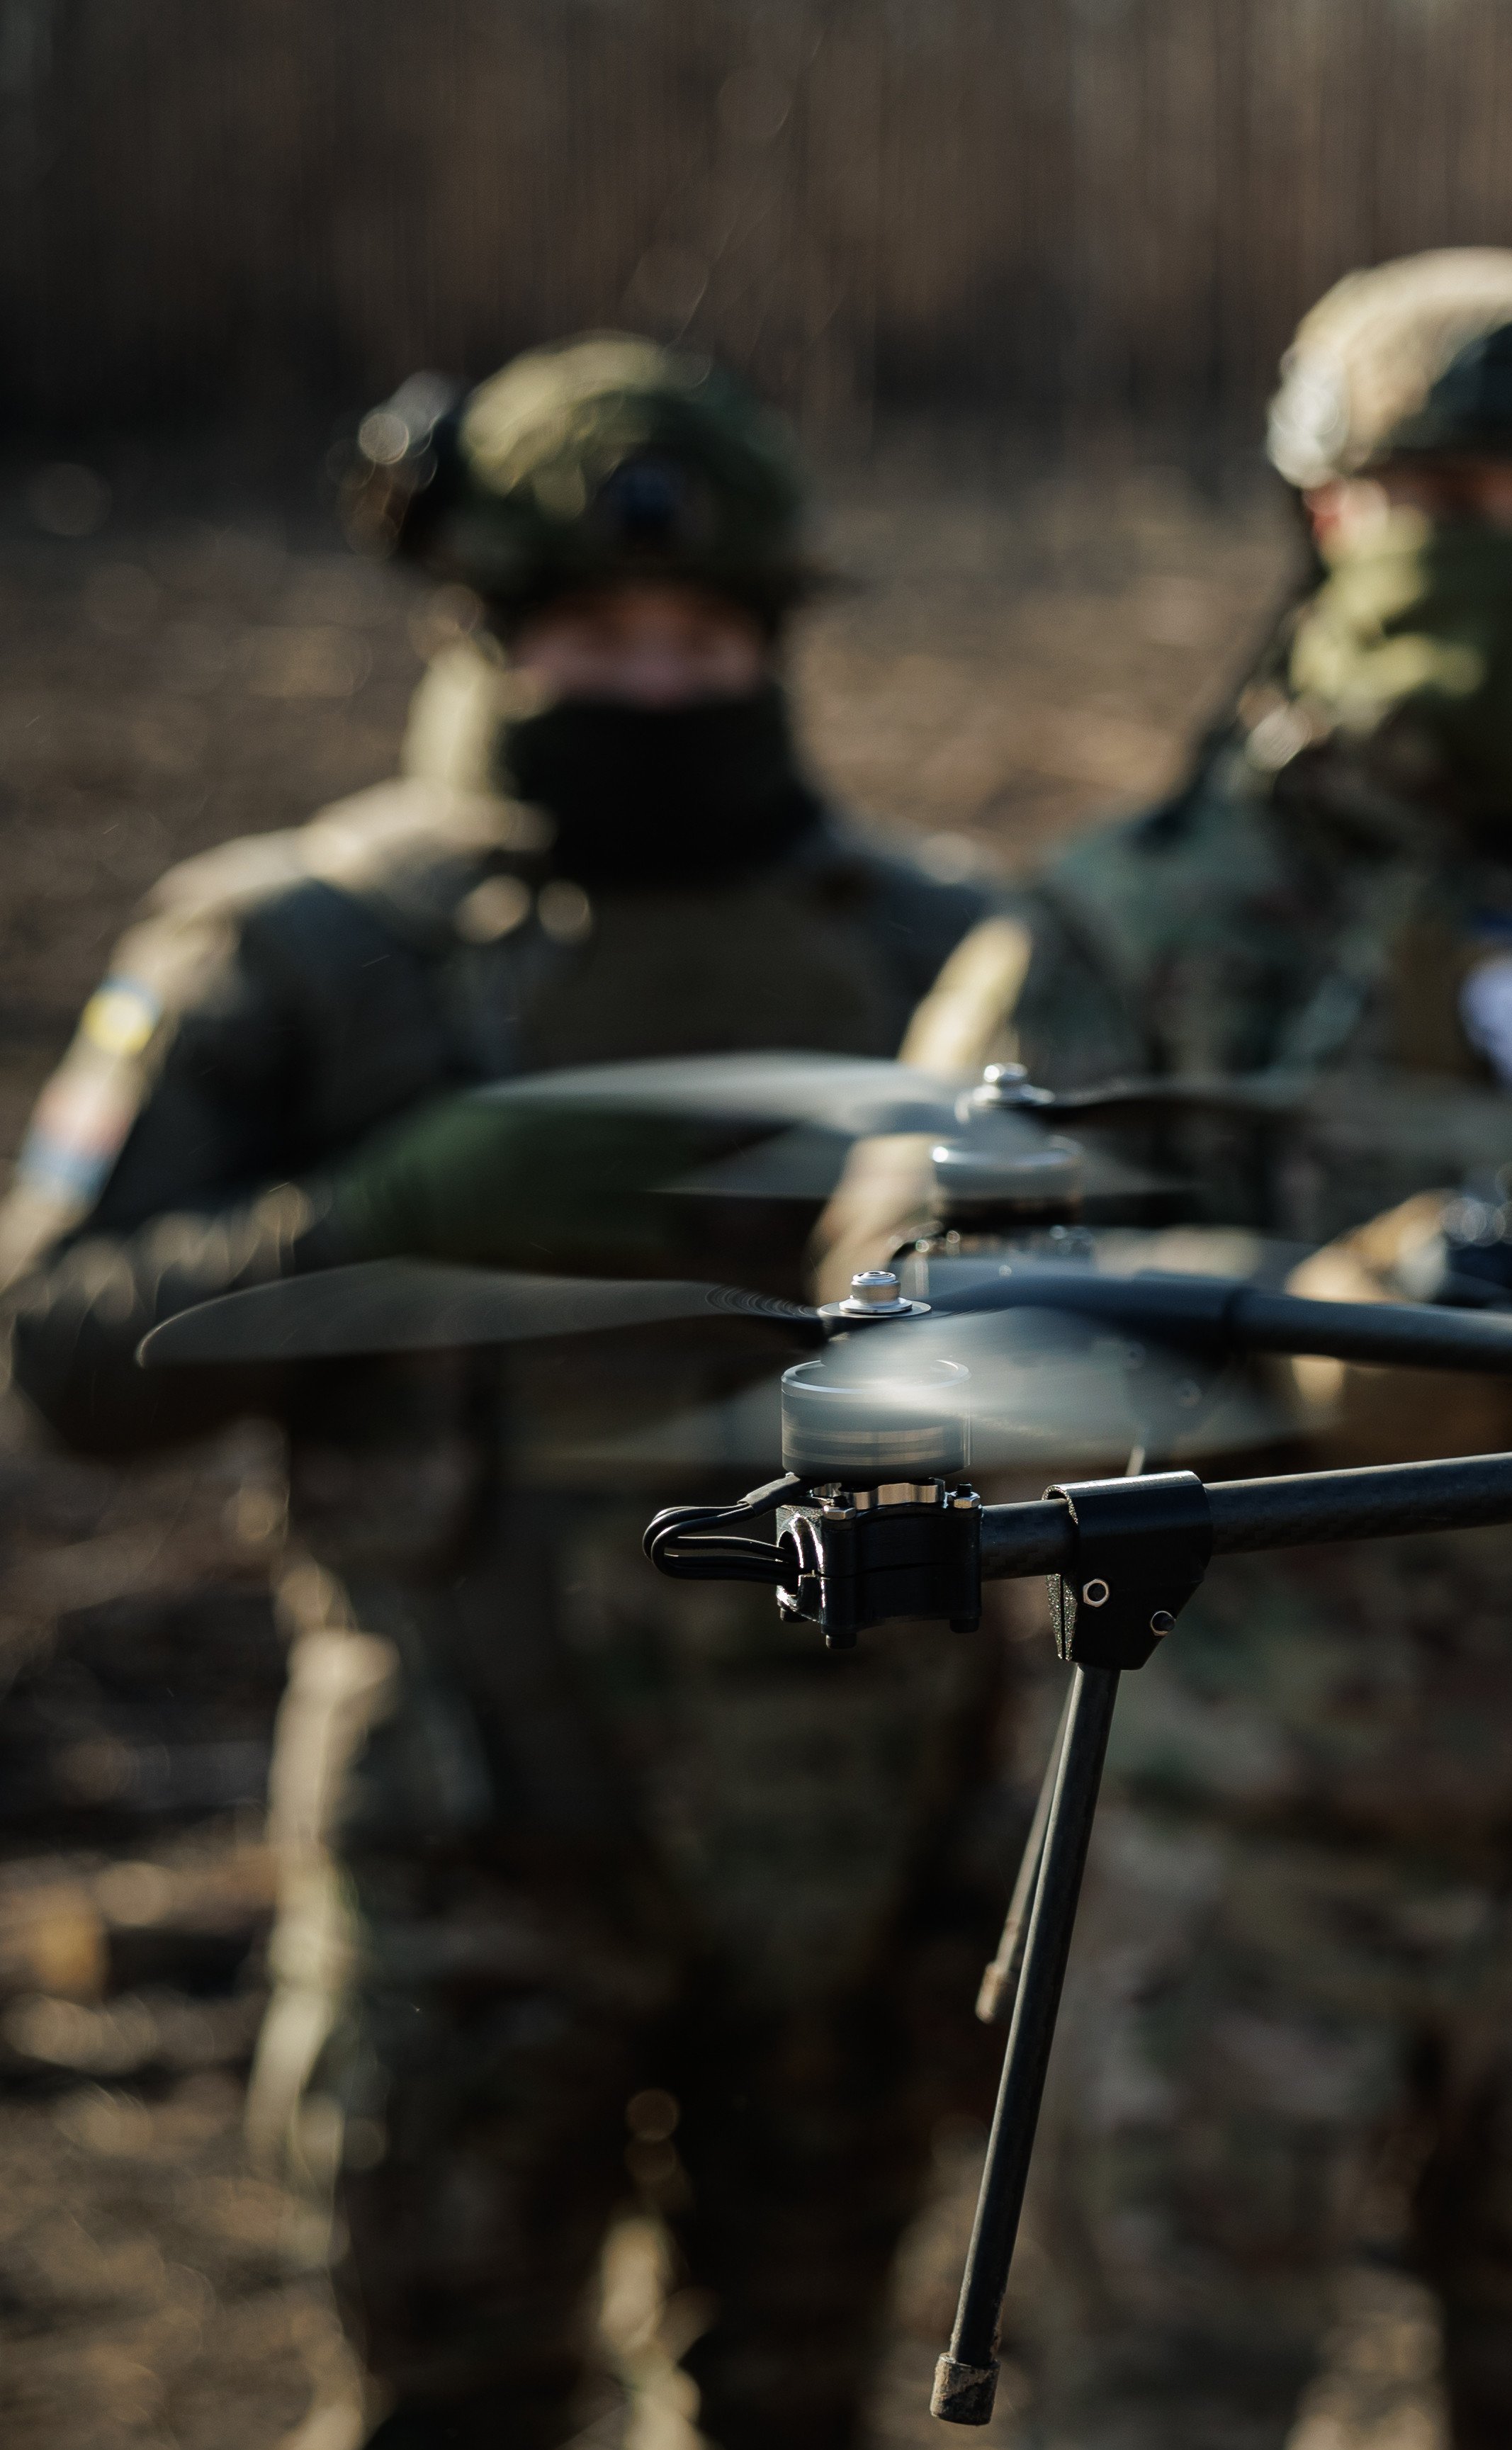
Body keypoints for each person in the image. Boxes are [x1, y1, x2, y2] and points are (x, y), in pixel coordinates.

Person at [886, 249, 1512, 2447]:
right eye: (1441, 500)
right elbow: (912, 1317)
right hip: (1234, 1851)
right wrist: (1324, 1330)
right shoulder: (1136, 915)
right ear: (1325, 513)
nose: (1504, 550)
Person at [0, 334, 1002, 2449]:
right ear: (478, 625)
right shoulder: (295, 946)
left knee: (799, 2398)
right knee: (447, 2397)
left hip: (841, 1851)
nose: (652, 683)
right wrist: (378, 1217)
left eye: (702, 639)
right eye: (594, 636)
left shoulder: (939, 949)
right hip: (461, 1840)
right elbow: (71, 1347)